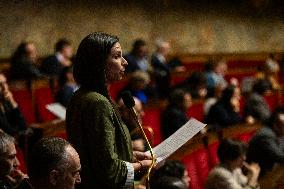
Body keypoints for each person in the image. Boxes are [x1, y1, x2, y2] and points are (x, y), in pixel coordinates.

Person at [66, 32, 152, 189]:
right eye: (117, 56)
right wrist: (142, 165)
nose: (125, 62)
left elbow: (97, 153)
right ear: (99, 63)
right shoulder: (97, 102)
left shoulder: (82, 95)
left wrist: (131, 156)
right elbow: (109, 171)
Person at [247, 107, 284, 176]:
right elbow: (279, 157)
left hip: (269, 169)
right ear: (275, 125)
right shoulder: (266, 136)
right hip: (259, 176)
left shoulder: (275, 131)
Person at [0, 73, 27, 137]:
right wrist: (18, 130)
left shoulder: (6, 101)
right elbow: (9, 131)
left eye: (5, 83)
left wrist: (13, 102)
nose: (4, 87)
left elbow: (23, 125)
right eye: (0, 85)